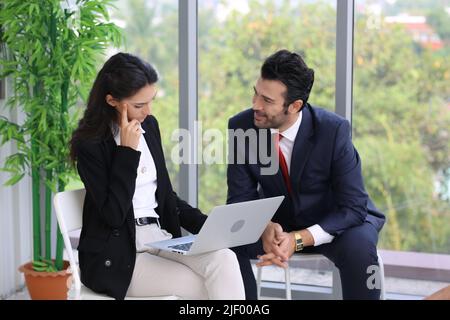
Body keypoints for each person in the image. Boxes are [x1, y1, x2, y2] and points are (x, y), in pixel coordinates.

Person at [69, 52, 245, 300]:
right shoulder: (91, 144)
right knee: (201, 286)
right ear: (111, 101)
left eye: (150, 101)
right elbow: (113, 215)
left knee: (224, 259)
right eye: (139, 105)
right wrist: (127, 152)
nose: (147, 112)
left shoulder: (149, 127)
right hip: (117, 255)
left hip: (159, 237)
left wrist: (210, 227)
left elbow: (166, 197)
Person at [227, 49, 386, 300]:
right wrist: (264, 227)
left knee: (360, 248)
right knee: (227, 244)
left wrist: (299, 239)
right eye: (255, 93)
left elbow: (353, 207)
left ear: (295, 106)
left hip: (335, 221)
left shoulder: (333, 130)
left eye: (267, 101)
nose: (255, 105)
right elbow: (239, 200)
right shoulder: (242, 126)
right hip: (278, 223)